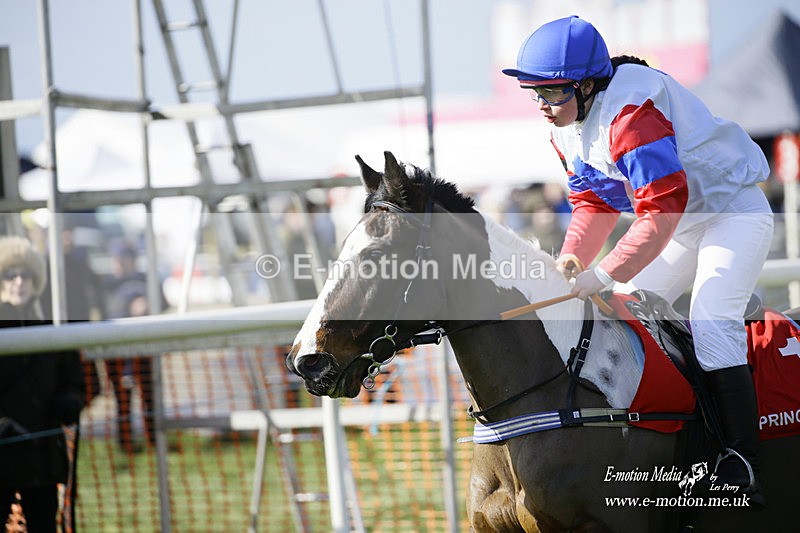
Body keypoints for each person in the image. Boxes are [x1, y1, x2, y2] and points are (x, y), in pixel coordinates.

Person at [503, 16, 773, 504]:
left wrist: (604, 272)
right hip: (683, 225)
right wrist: (572, 257)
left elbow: (661, 212)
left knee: (710, 321)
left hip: (732, 214)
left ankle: (741, 460)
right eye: (534, 92)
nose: (542, 104)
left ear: (587, 85)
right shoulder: (566, 126)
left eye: (552, 92)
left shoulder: (632, 116)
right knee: (624, 311)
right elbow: (594, 204)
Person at [0, 236, 85, 531]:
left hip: (43, 458)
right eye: (10, 274)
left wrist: (71, 401)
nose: (19, 282)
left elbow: (75, 382)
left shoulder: (52, 329)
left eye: (26, 274)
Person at [103, 239, 166, 453]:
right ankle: (125, 443)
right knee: (122, 400)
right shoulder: (107, 284)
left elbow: (163, 302)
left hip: (144, 349)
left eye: (123, 258)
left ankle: (154, 440)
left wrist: (148, 304)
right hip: (116, 352)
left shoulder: (146, 280)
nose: (119, 263)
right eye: (116, 259)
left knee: (150, 397)